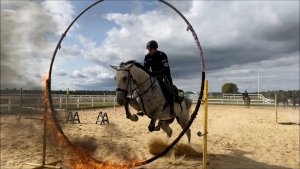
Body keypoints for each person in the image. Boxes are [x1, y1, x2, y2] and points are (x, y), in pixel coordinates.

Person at [144, 40, 175, 116]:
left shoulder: (162, 55)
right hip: (154, 77)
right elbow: (146, 69)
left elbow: (166, 69)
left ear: (155, 48)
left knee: (169, 90)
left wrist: (153, 73)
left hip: (165, 76)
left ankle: (172, 108)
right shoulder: (147, 57)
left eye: (151, 49)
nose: (149, 51)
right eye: (148, 49)